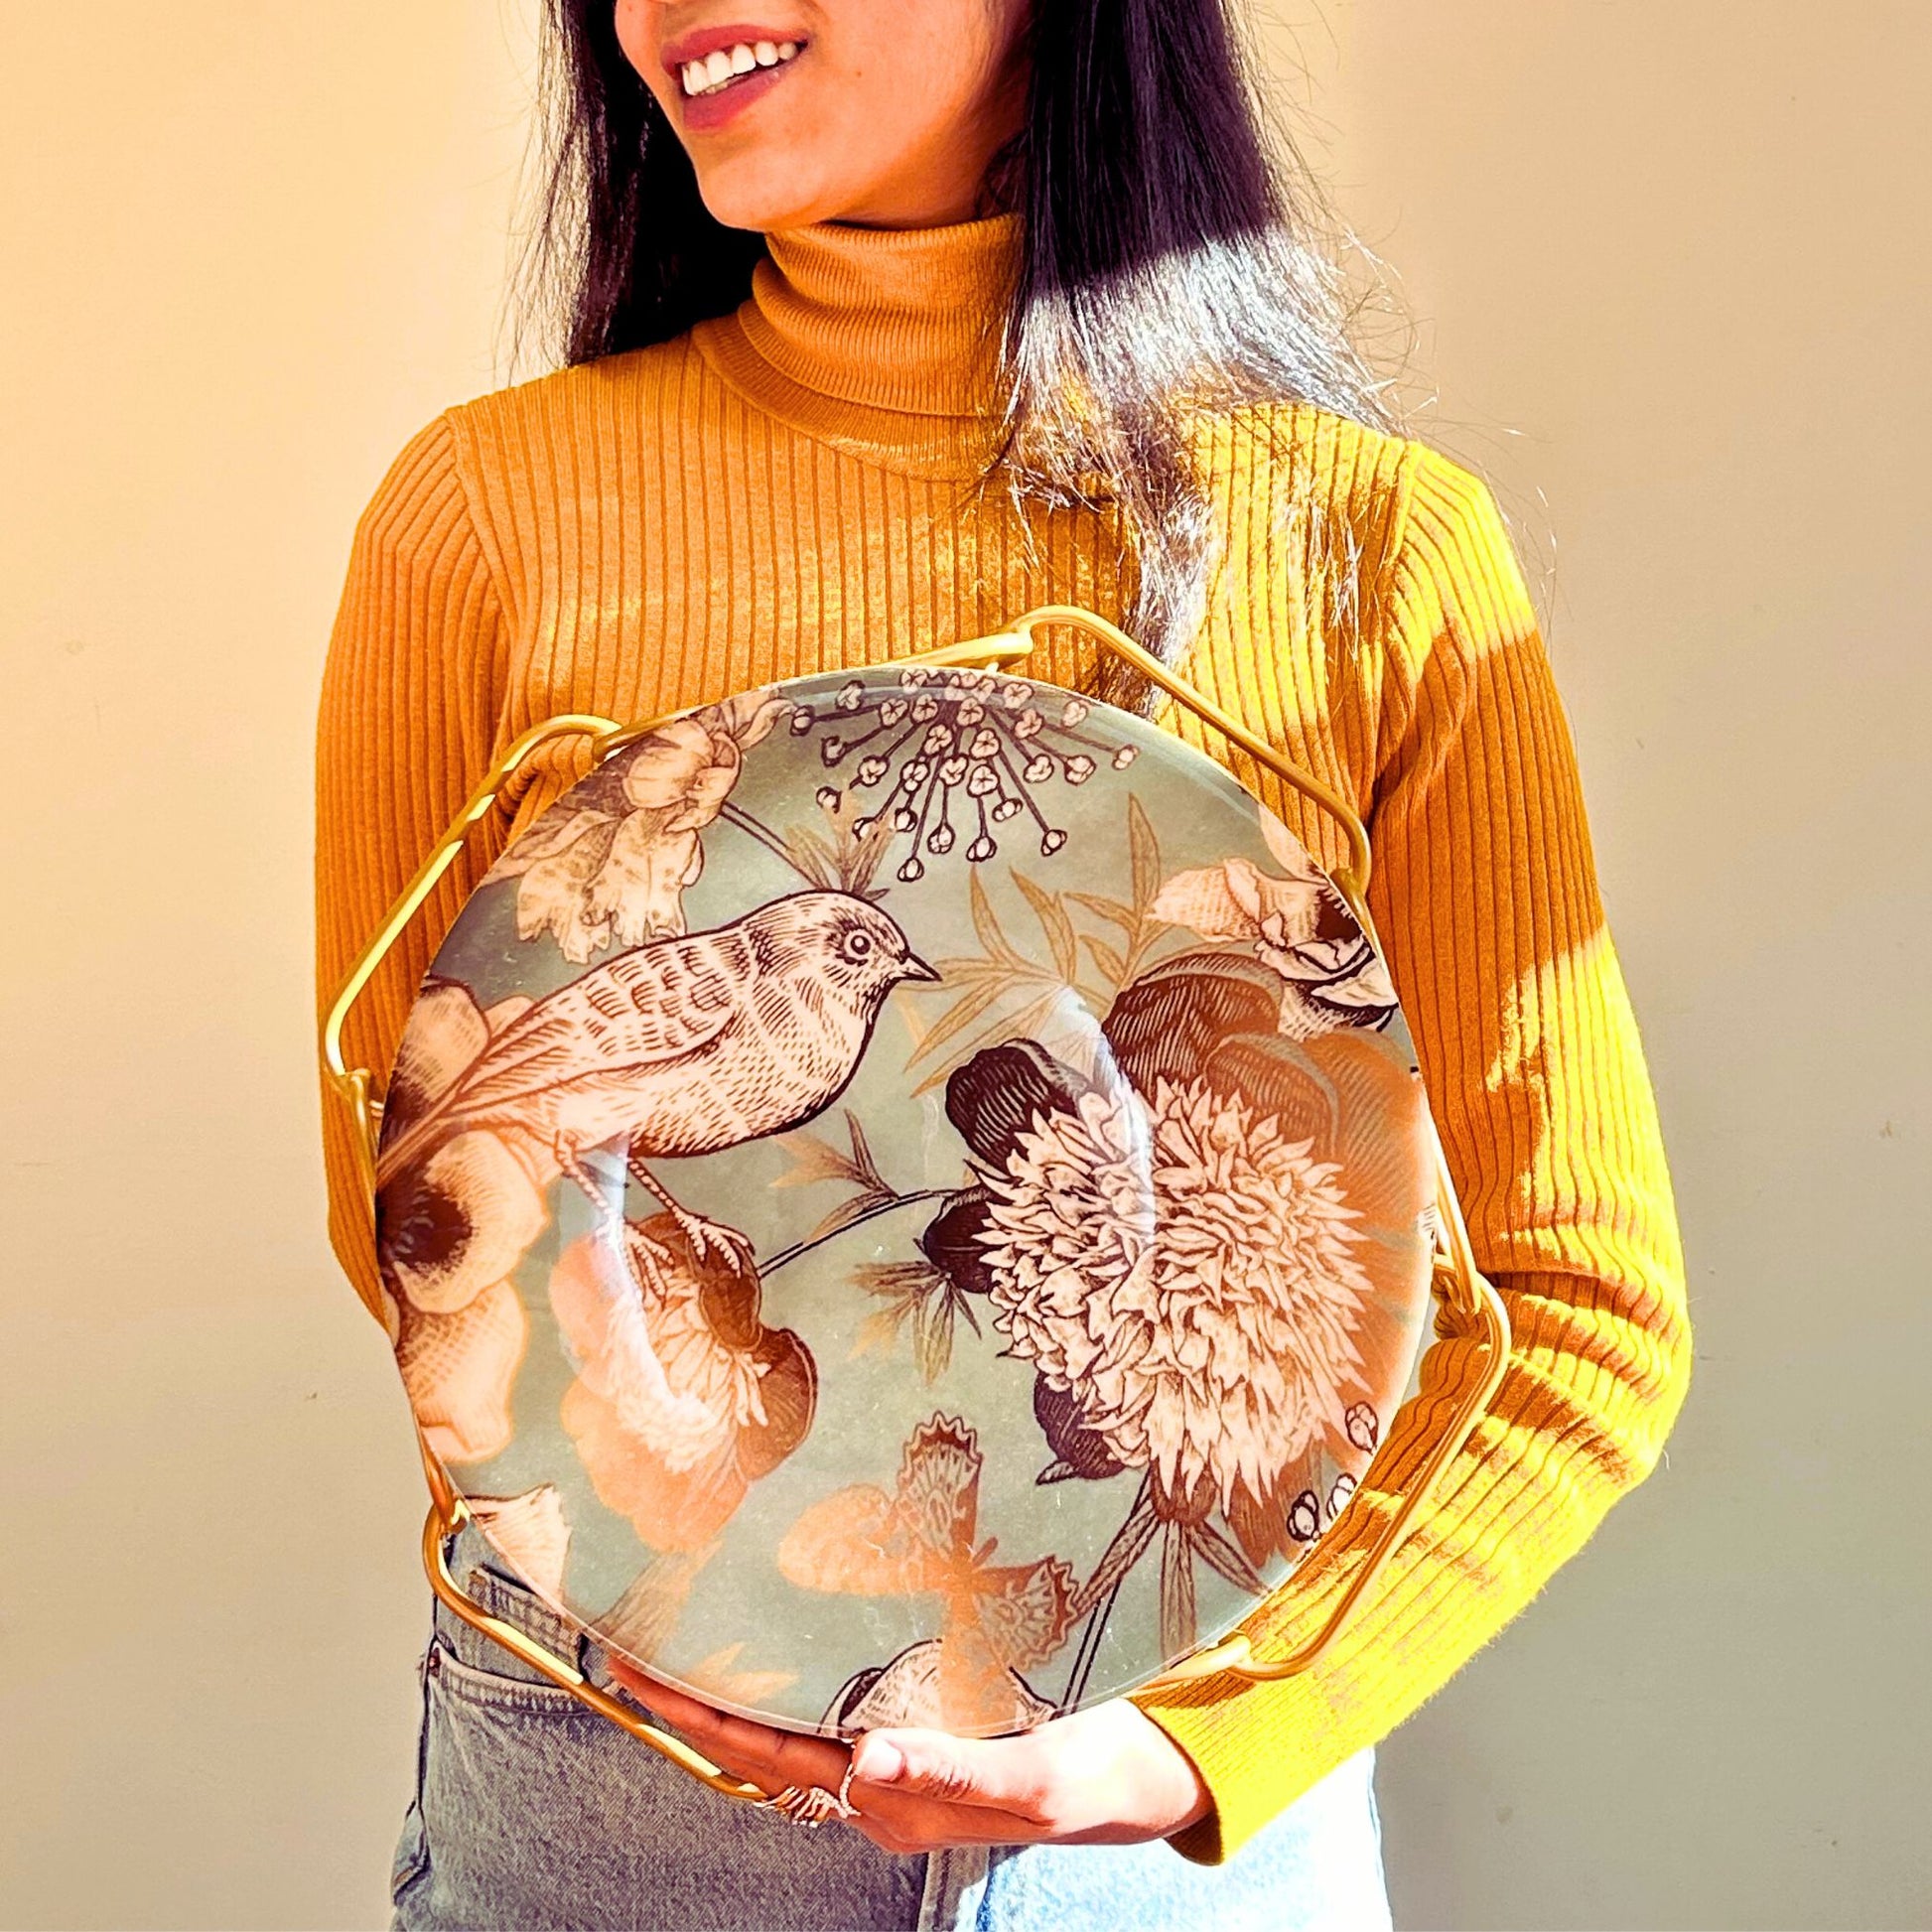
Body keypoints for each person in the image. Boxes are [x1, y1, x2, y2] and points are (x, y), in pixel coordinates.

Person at [314, 1, 1692, 1925]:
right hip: (621, 1795)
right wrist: (720, 1611)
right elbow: (432, 1221)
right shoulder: (492, 524)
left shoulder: (1374, 560)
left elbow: (1575, 1310)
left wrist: (1193, 1741)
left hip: (1185, 1829)